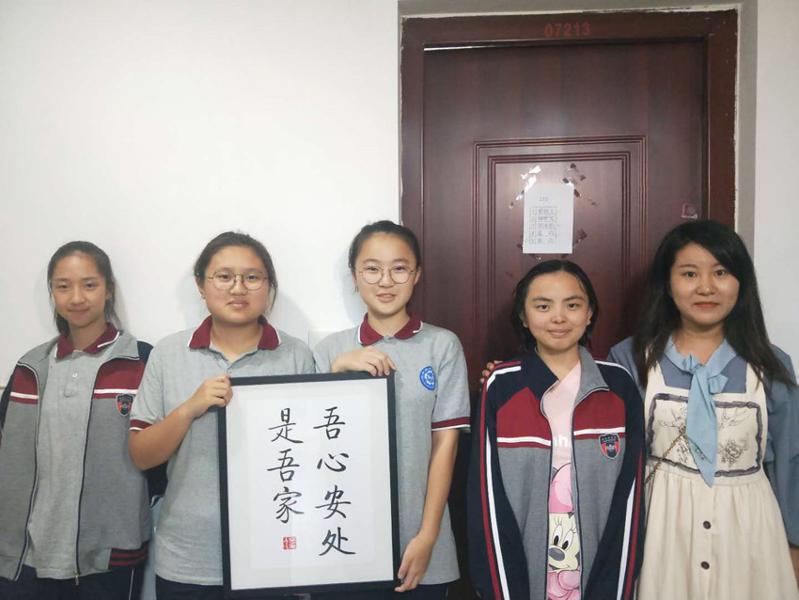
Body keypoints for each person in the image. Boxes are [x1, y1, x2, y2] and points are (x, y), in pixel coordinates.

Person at [608, 219, 799, 599]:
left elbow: (790, 462)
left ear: (741, 283)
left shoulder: (771, 365)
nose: (706, 287)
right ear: (667, 283)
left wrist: (794, 546)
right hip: (661, 534)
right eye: (689, 273)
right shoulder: (630, 359)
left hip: (750, 537)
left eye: (721, 272)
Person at [128, 231, 314, 600]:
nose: (238, 288)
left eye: (252, 277)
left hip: (272, 556)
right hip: (188, 558)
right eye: (224, 276)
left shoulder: (296, 355)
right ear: (201, 285)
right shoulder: (169, 353)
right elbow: (141, 455)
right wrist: (189, 408)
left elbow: (311, 458)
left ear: (268, 286)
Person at [468, 259, 645, 600]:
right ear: (523, 316)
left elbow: (630, 501)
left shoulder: (619, 386)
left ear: (590, 313)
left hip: (599, 572)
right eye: (543, 306)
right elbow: (486, 500)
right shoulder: (501, 385)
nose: (559, 317)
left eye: (573, 305)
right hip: (522, 572)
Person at [313, 220, 470, 599]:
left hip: (419, 543)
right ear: (354, 275)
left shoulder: (442, 345)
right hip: (344, 540)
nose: (385, 281)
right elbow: (312, 448)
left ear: (416, 274)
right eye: (372, 268)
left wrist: (428, 536)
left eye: (399, 268)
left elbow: (445, 447)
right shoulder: (329, 351)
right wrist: (337, 371)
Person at [0, 241, 156, 600]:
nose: (76, 298)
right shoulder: (30, 367)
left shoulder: (140, 361)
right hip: (25, 556)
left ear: (108, 289)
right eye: (63, 286)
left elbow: (159, 457)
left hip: (109, 557)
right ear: (52, 293)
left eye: (89, 285)